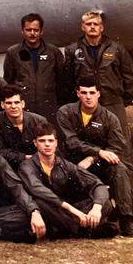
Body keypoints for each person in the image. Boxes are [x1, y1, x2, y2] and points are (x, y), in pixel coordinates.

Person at [55, 82, 133, 235]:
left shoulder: (109, 118)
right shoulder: (65, 112)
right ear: (78, 94)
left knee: (119, 169)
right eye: (84, 93)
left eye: (92, 92)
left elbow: (116, 146)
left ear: (98, 94)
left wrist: (93, 157)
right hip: (71, 162)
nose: (88, 97)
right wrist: (98, 152)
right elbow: (70, 141)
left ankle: (126, 218)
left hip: (99, 164)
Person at [19, 122, 116, 239]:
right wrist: (75, 212)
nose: (47, 145)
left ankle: (72, 228)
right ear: (35, 143)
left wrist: (96, 208)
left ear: (56, 143)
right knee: (40, 202)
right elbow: (38, 190)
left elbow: (96, 183)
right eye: (42, 141)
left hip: (67, 211)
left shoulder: (64, 164)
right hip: (51, 209)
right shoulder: (27, 166)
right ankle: (83, 231)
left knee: (104, 203)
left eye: (50, 141)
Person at [63, 10, 133, 144]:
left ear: (102, 27)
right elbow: (68, 79)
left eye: (96, 24)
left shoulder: (116, 48)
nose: (92, 27)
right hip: (86, 104)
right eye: (88, 24)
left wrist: (122, 99)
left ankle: (125, 166)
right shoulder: (73, 50)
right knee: (90, 142)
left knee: (120, 141)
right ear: (83, 27)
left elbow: (129, 77)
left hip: (113, 103)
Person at [3, 13, 65, 122]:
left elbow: (62, 81)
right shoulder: (13, 53)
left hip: (48, 107)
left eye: (36, 30)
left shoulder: (53, 52)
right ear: (22, 30)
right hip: (24, 107)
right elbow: (8, 80)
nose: (32, 33)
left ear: (41, 31)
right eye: (28, 30)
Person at [0, 85, 47, 171]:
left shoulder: (39, 121)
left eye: (16, 102)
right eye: (9, 103)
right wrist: (25, 157)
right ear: (2, 105)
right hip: (6, 166)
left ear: (23, 104)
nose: (13, 106)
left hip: (36, 165)